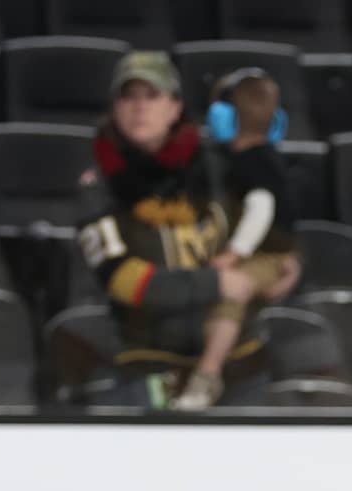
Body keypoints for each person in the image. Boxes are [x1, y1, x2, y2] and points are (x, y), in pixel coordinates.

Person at [74, 50, 296, 408]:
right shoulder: (98, 186)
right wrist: (216, 284)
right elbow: (122, 280)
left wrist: (286, 259)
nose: (139, 107)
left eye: (152, 96)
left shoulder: (218, 166)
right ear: (115, 108)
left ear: (175, 107)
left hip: (239, 358)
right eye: (128, 97)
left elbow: (267, 221)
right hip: (146, 360)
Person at [170, 67, 300, 412]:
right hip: (267, 256)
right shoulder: (248, 160)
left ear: (225, 116)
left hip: (264, 259)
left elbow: (261, 208)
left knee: (232, 289)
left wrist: (232, 254)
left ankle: (206, 376)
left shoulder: (252, 162)